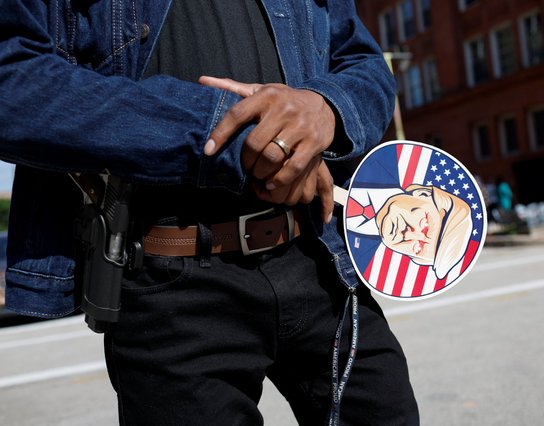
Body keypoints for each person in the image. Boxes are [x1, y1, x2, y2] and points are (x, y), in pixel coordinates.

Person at [0, 1, 419, 425]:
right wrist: (231, 131)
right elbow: (12, 82)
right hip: (170, 279)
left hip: (315, 252)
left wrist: (325, 108)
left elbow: (364, 63)